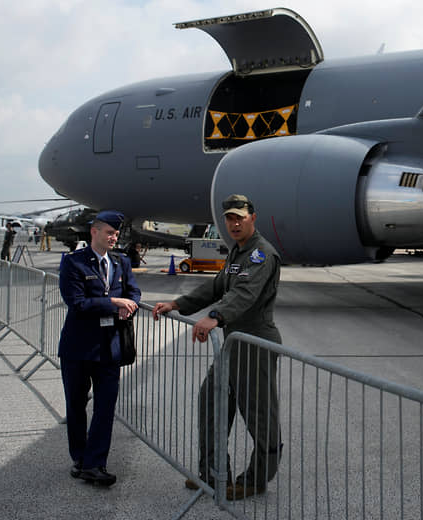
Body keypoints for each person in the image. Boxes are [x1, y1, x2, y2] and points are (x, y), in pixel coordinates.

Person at [152, 195, 282, 500]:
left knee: (259, 415)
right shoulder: (238, 252)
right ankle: (213, 475)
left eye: (240, 217)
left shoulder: (261, 254)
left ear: (253, 217)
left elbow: (245, 294)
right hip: (234, 343)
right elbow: (217, 286)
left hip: (255, 344)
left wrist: (215, 316)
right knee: (211, 400)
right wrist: (177, 303)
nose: (234, 223)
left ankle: (256, 479)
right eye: (229, 218)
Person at [58, 210, 141, 487]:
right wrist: (115, 304)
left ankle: (95, 464)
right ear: (94, 232)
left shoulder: (122, 262)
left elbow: (134, 292)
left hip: (109, 348)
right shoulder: (74, 263)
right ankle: (80, 458)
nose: (114, 237)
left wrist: (131, 305)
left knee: (105, 407)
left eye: (116, 234)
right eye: (109, 232)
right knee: (76, 405)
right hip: (78, 348)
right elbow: (77, 303)